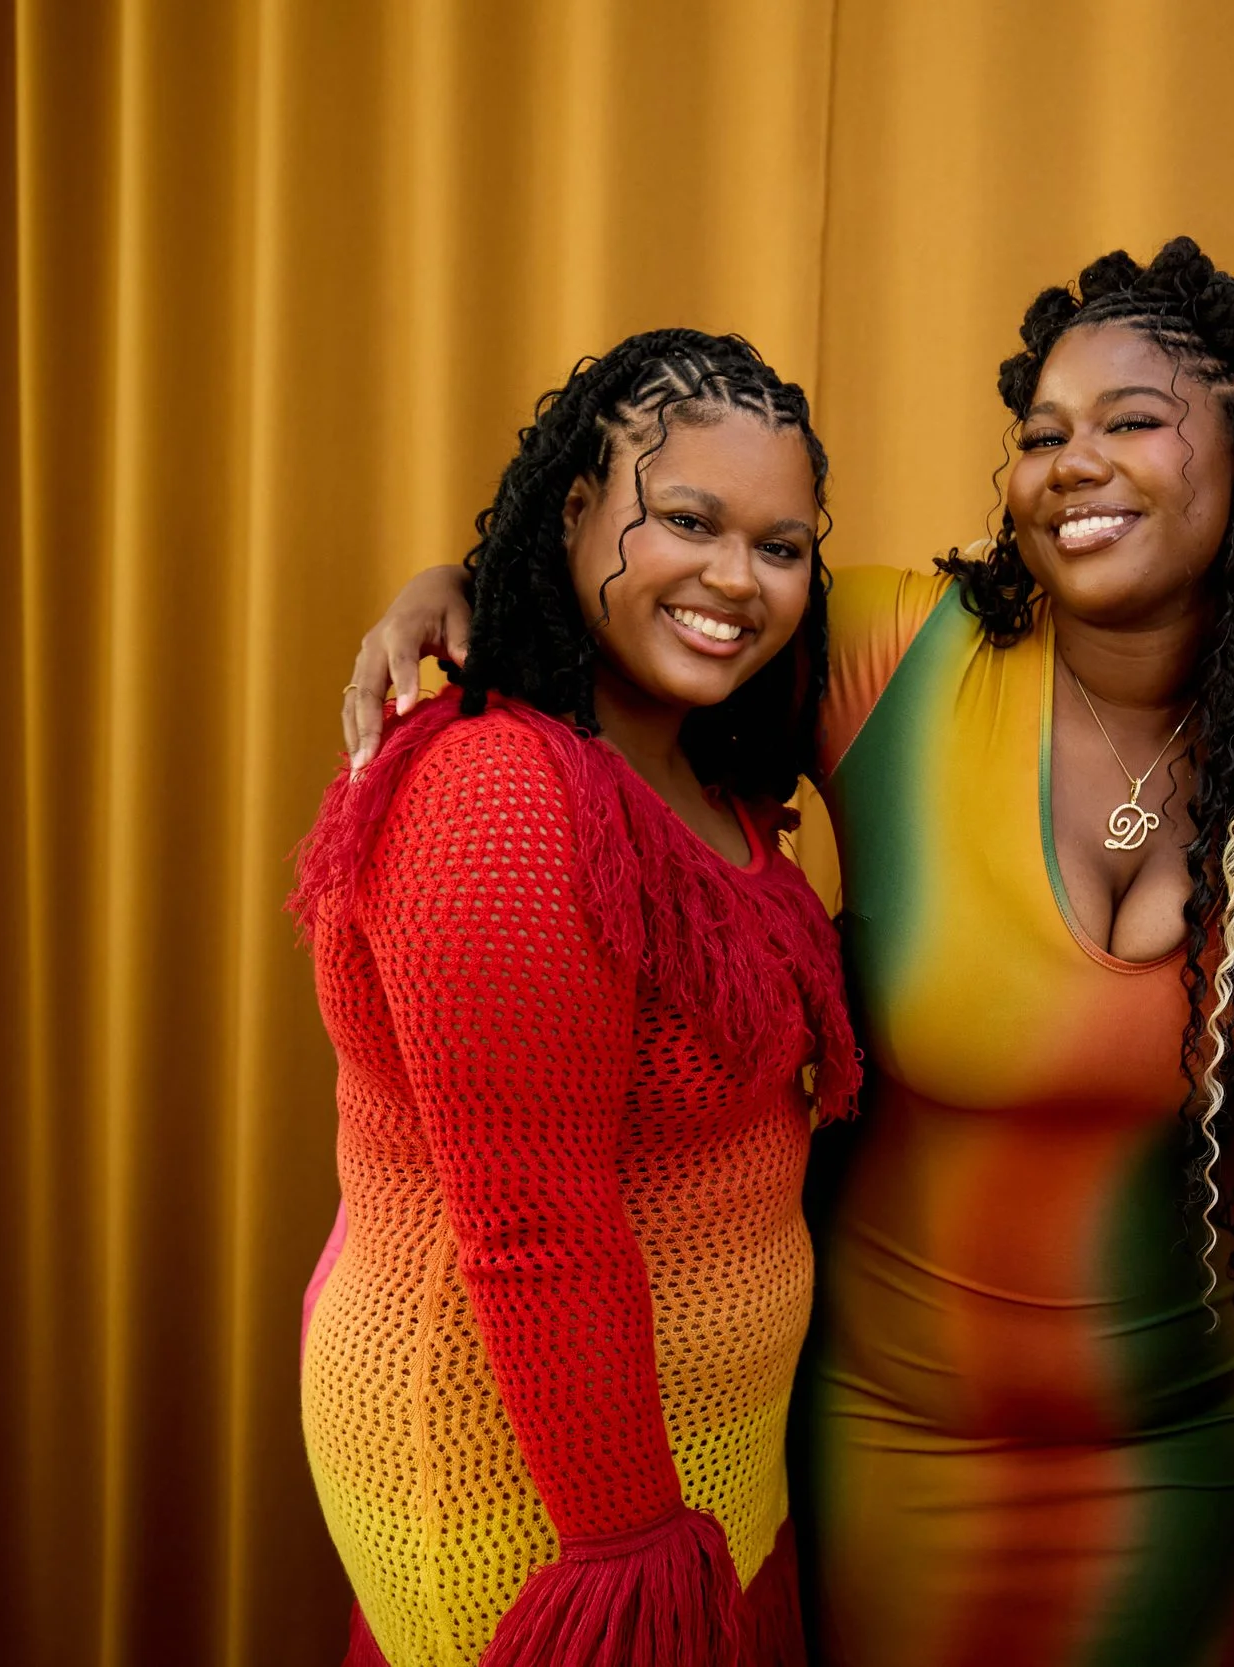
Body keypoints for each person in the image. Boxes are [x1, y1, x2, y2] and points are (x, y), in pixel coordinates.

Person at [343, 243, 1234, 1667]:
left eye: (1130, 421)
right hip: (894, 1448)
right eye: (1042, 432)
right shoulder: (886, 656)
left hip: (1207, 1461)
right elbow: (663, 613)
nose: (1072, 461)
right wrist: (456, 588)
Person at [289, 329, 859, 1667]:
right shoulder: (493, 789)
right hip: (548, 1523)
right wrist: (629, 1560)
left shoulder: (701, 773)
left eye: (781, 545)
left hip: (707, 1489)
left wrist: (453, 575)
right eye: (687, 519)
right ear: (575, 512)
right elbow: (533, 1228)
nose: (737, 576)